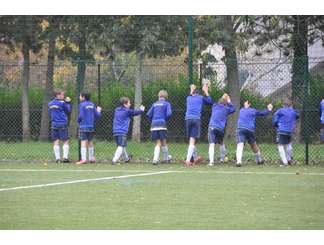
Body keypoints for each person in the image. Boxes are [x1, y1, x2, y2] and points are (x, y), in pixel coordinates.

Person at [236, 100, 273, 167]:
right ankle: (259, 160)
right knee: (253, 144)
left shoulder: (242, 110)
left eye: (246, 102)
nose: (244, 103)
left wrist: (268, 110)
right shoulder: (253, 110)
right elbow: (262, 113)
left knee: (240, 144)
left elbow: (262, 113)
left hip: (241, 129)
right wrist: (269, 109)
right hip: (249, 129)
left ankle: (239, 161)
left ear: (249, 104)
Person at [184, 83, 212, 166]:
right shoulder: (200, 98)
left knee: (192, 140)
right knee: (192, 140)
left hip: (188, 119)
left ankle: (194, 158)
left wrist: (191, 90)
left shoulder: (188, 98)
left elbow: (190, 94)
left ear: (192, 92)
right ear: (199, 93)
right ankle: (188, 160)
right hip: (196, 119)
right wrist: (206, 91)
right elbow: (210, 101)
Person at [112, 97, 145, 164]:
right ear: (125, 104)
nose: (130, 104)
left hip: (115, 131)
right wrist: (141, 110)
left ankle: (127, 159)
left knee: (121, 145)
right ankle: (114, 160)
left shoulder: (117, 110)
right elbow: (135, 112)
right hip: (122, 131)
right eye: (129, 103)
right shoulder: (127, 111)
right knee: (121, 146)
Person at [207, 93, 235, 166]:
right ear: (225, 104)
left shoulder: (215, 106)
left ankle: (211, 162)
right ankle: (222, 158)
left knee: (212, 144)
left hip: (212, 127)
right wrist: (229, 101)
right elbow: (233, 109)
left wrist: (223, 98)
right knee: (221, 142)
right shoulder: (227, 109)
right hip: (220, 129)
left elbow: (212, 101)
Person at [146, 90, 172, 165]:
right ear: (166, 97)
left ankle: (155, 159)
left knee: (158, 142)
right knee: (163, 141)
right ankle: (165, 159)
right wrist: (164, 118)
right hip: (162, 124)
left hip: (154, 124)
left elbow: (148, 114)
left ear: (158, 96)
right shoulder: (167, 104)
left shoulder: (154, 104)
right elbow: (169, 114)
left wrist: (154, 120)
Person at [76, 92, 102, 165]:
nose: (79, 97)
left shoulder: (81, 105)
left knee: (83, 141)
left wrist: (78, 121)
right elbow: (98, 115)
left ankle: (83, 159)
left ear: (83, 97)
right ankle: (91, 158)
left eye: (80, 96)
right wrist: (99, 110)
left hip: (83, 126)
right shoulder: (92, 104)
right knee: (90, 141)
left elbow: (80, 115)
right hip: (91, 126)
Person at [272, 98, 299, 166]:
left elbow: (275, 120)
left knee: (280, 146)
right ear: (290, 105)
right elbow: (297, 116)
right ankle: (289, 159)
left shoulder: (280, 110)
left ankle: (285, 162)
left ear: (283, 105)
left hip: (281, 131)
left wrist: (276, 125)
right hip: (289, 132)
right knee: (289, 145)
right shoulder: (293, 112)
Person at [48, 91, 72, 163]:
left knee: (56, 140)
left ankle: (57, 159)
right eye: (62, 95)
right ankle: (65, 158)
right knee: (65, 140)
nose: (64, 96)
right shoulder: (62, 103)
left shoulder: (50, 103)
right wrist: (68, 102)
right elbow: (68, 110)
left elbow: (50, 112)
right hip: (62, 123)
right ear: (58, 95)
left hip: (54, 124)